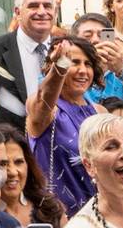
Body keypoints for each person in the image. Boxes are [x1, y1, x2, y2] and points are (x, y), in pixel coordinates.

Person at [24, 34, 101, 213]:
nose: (83, 70)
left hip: (98, 214)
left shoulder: (99, 112)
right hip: (56, 214)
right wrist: (60, 67)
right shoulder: (45, 109)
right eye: (74, 62)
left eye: (88, 64)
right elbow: (44, 97)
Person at [0, 0, 65, 104]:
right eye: (33, 6)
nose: (42, 12)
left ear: (55, 12)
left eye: (47, 6)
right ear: (18, 13)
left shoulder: (68, 51)